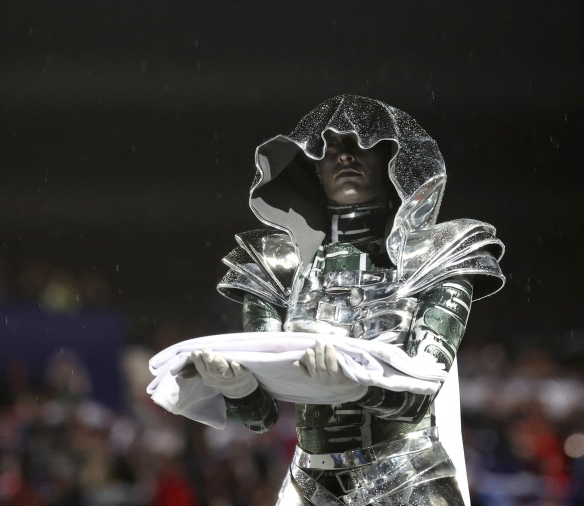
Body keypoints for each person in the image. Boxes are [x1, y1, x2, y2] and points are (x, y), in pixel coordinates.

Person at [189, 95, 505, 505]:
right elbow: (262, 417)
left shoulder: (438, 255)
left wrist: (360, 389)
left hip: (408, 479)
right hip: (309, 485)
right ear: (314, 167)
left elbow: (422, 388)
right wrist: (236, 387)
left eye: (361, 144)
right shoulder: (278, 266)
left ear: (391, 158)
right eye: (330, 147)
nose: (344, 157)